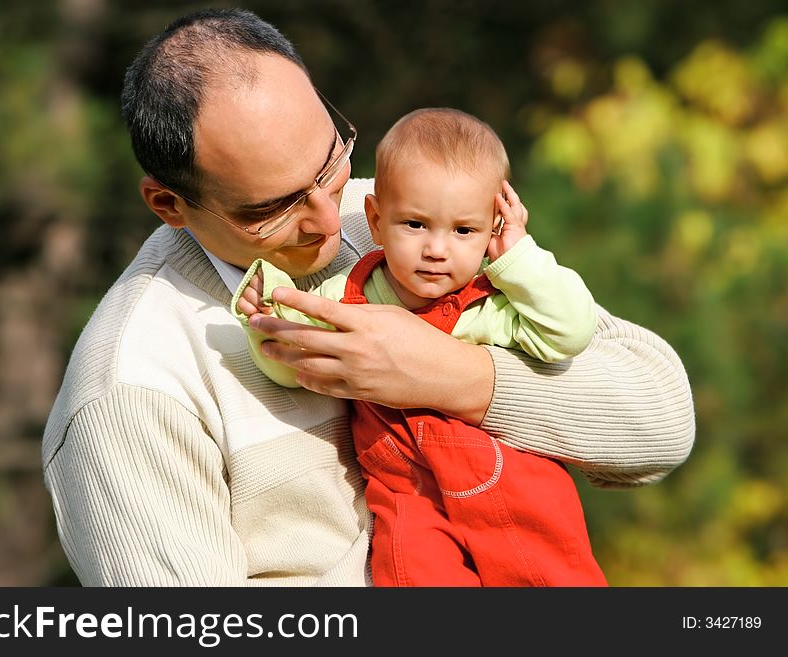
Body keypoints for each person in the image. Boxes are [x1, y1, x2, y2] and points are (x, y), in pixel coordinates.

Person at [41, 8, 695, 586]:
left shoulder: (394, 221)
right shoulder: (130, 388)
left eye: (330, 162)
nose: (329, 218)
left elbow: (661, 422)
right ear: (168, 203)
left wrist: (453, 376)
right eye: (274, 207)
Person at [232, 107, 607, 586]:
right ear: (375, 219)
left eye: (464, 230)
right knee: (413, 575)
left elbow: (571, 332)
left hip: (510, 485)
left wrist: (520, 254)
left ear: (493, 231)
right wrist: (265, 317)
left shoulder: (492, 303)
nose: (436, 248)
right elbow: (294, 364)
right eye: (414, 225)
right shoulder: (348, 299)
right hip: (408, 492)